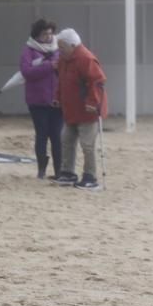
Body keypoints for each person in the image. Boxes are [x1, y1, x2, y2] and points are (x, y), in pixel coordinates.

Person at [53, 28, 107, 191]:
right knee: (66, 140)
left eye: (61, 47)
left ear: (72, 45)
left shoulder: (86, 59)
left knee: (87, 144)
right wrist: (57, 97)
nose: (59, 50)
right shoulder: (64, 59)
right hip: (71, 109)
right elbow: (61, 81)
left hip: (88, 111)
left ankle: (90, 177)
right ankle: (68, 172)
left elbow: (97, 82)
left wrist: (92, 102)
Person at [19, 19, 62, 179]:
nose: (48, 36)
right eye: (45, 33)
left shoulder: (59, 48)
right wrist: (49, 66)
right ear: (37, 35)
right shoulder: (28, 51)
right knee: (42, 135)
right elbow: (27, 72)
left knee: (57, 136)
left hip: (58, 101)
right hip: (37, 101)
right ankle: (41, 169)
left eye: (50, 33)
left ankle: (58, 170)